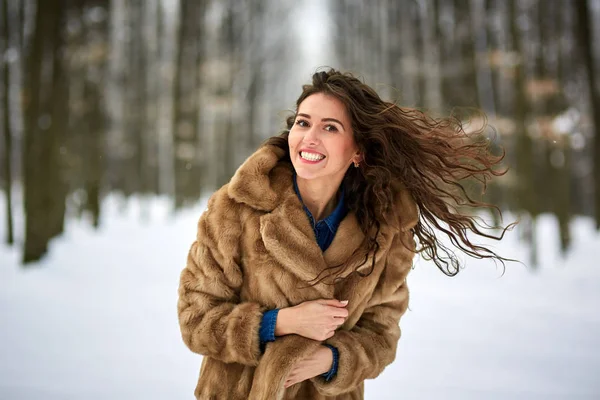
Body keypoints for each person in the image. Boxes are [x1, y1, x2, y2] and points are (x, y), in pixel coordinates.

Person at [177, 69, 511, 399]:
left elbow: (381, 334)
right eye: (303, 122)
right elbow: (196, 319)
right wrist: (281, 322)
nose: (310, 137)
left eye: (330, 127)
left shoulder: (387, 227)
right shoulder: (236, 208)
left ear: (357, 152)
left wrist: (332, 360)